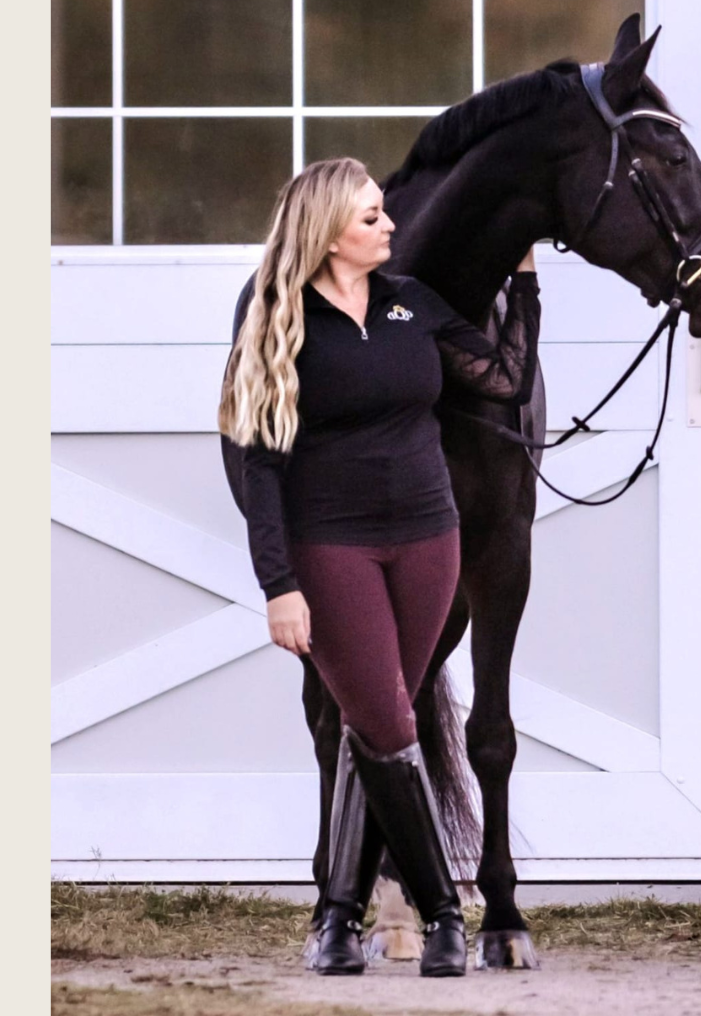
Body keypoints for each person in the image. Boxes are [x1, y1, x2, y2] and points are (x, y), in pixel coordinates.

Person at [218, 158, 541, 977]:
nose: (389, 225)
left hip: (429, 539)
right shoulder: (275, 315)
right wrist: (278, 583)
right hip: (334, 547)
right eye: (370, 218)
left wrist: (527, 287)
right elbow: (258, 463)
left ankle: (338, 921)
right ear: (328, 233)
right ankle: (437, 910)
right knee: (389, 726)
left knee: (381, 722)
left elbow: (501, 377)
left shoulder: (411, 304)